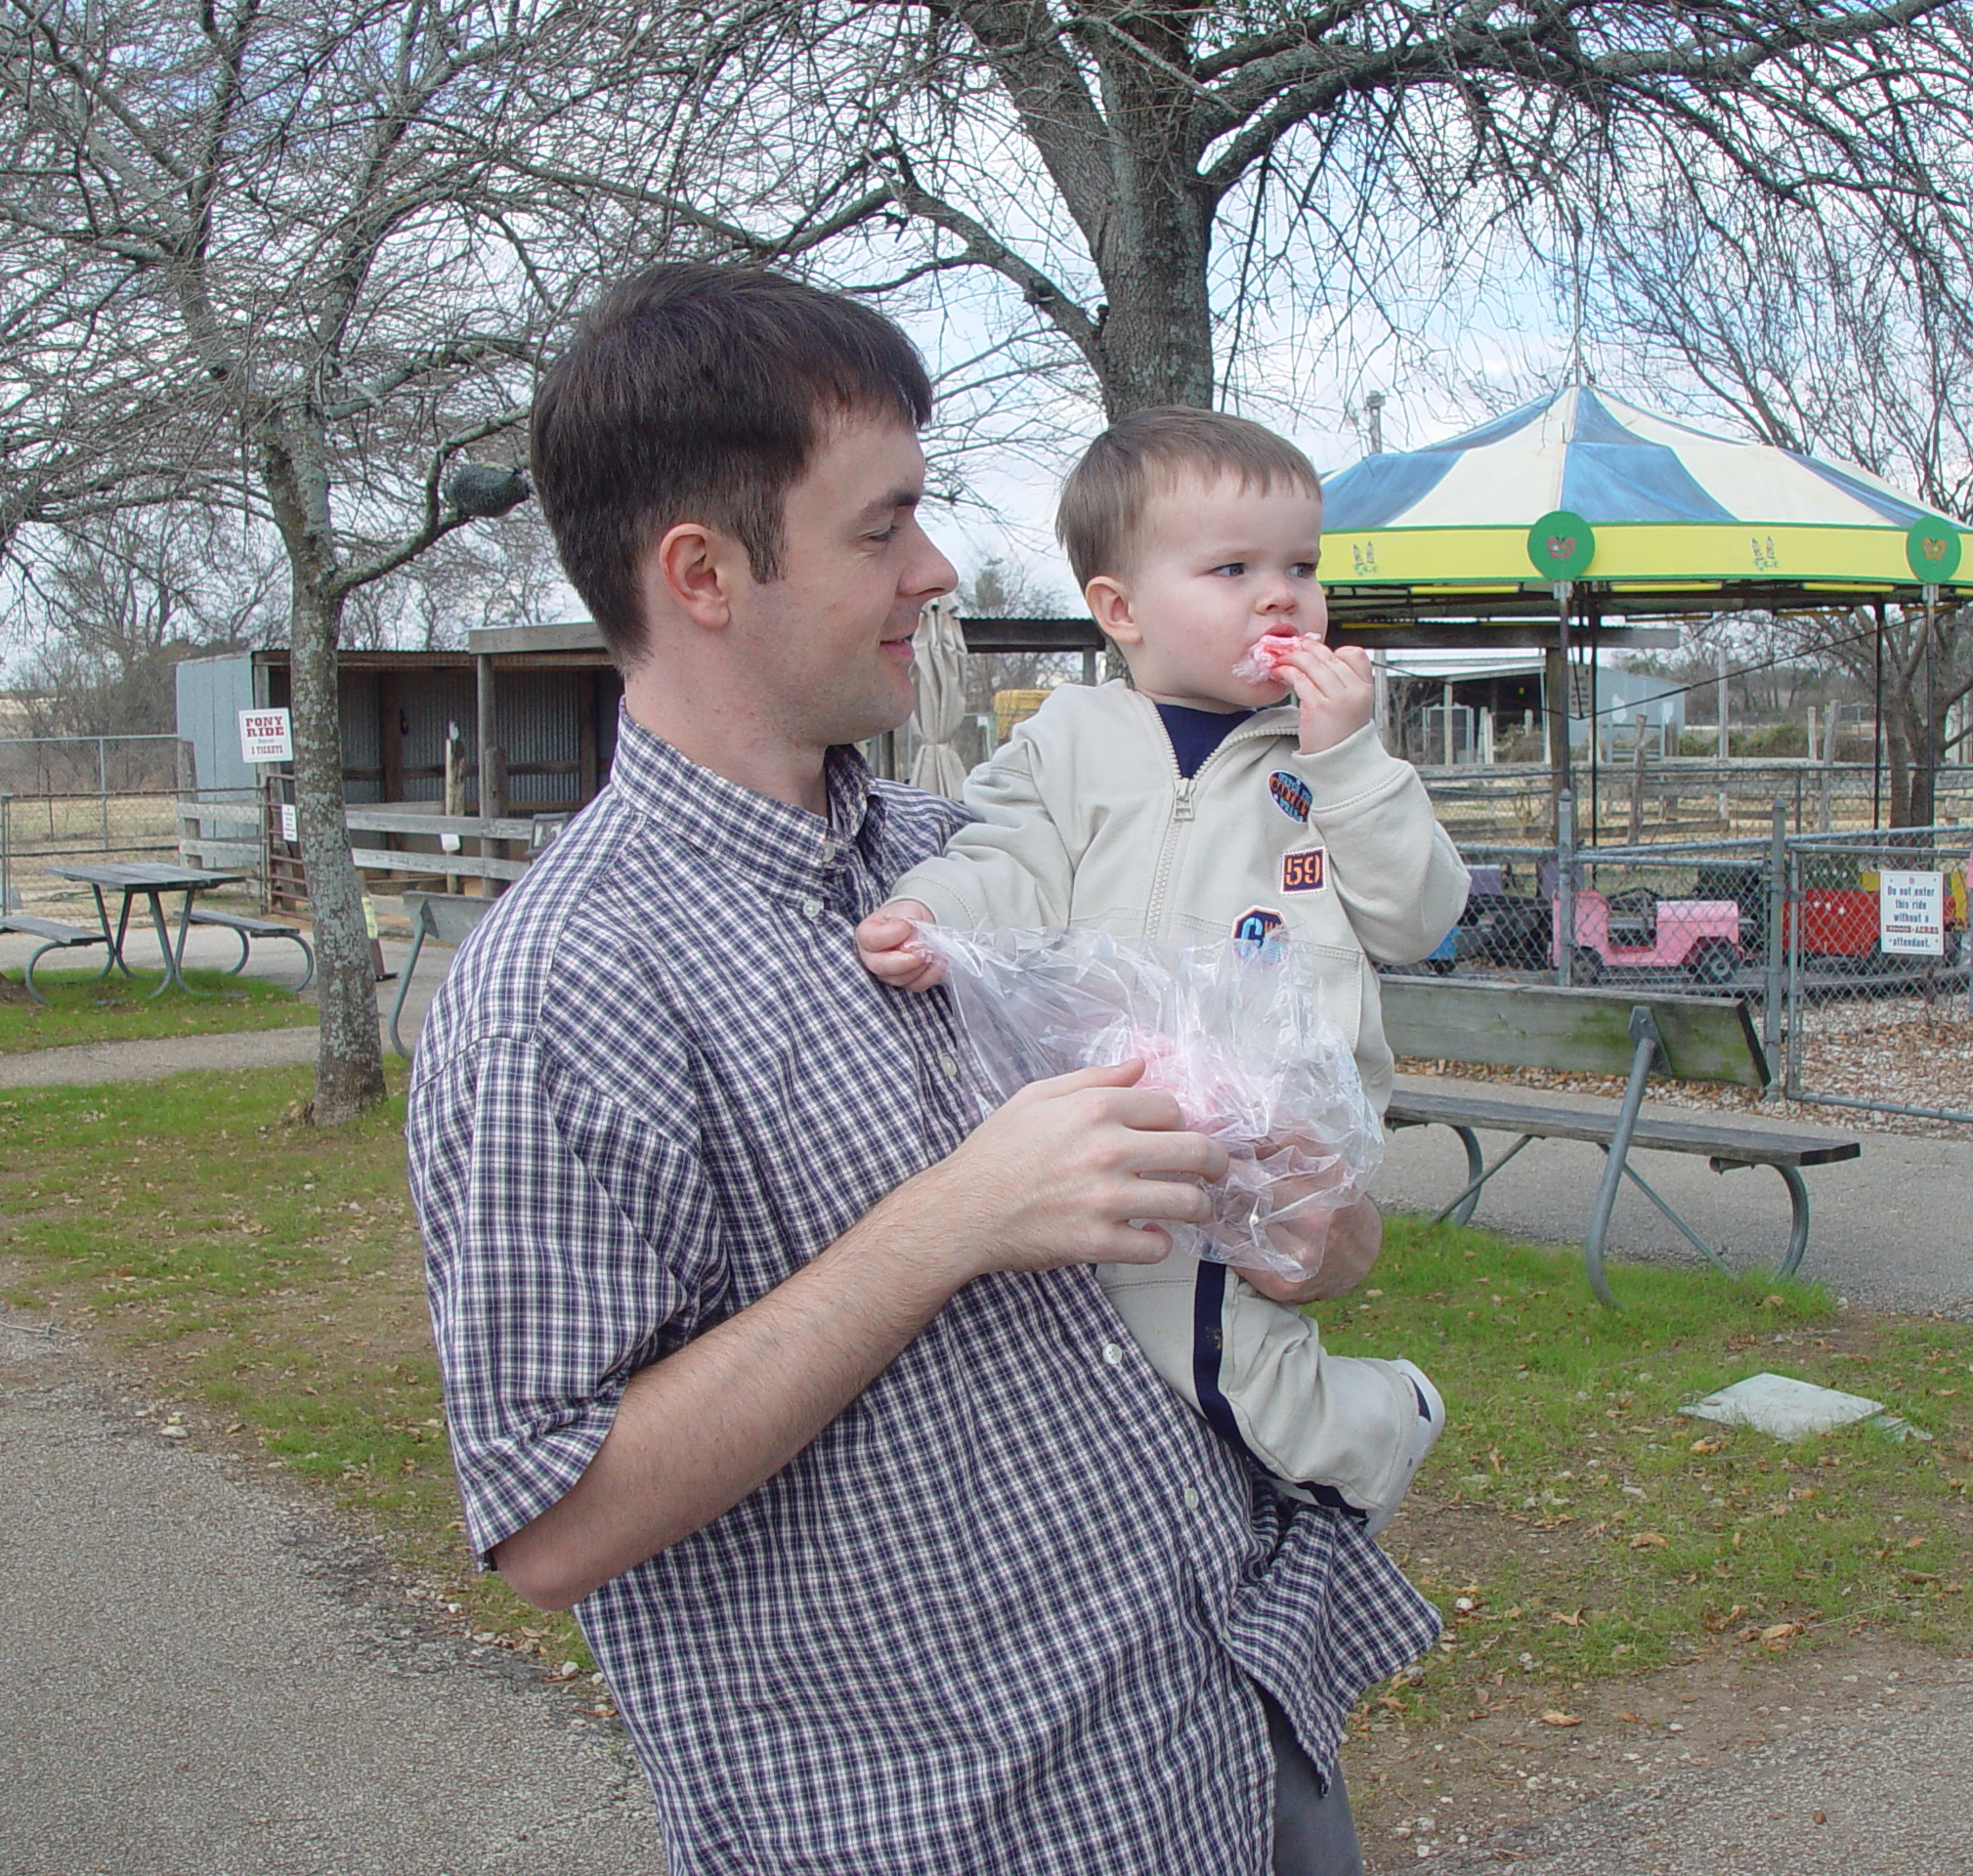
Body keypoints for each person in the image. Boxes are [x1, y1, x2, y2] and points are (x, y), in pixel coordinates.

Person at [407, 264, 1439, 1876]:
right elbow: (551, 1519)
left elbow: (1285, 1221)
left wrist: (1316, 1224)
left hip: (1231, 1738)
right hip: (954, 1831)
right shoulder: (560, 986)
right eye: (883, 527)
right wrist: (951, 1220)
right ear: (703, 573)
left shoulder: (983, 857)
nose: (938, 567)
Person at [856, 408, 1471, 1530]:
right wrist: (927, 912)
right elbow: (1005, 859)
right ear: (1120, 610)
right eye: (1232, 568)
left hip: (1275, 1133)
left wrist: (1351, 762)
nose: (1279, 596)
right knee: (1138, 1358)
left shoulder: (1323, 759)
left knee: (1233, 1357)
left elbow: (1418, 917)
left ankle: (1382, 1422)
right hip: (1113, 1107)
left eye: (1300, 566)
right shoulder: (1069, 740)